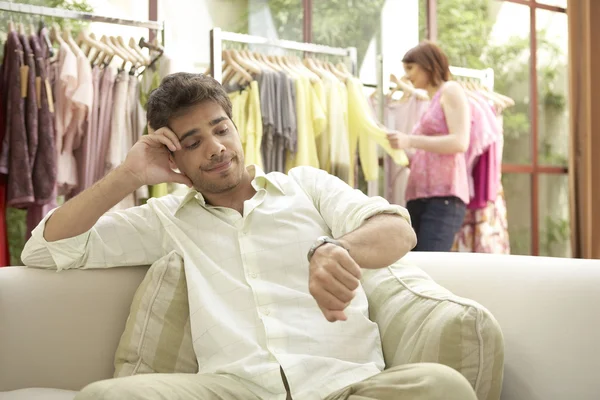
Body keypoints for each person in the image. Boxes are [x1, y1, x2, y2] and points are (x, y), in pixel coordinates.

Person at [22, 73, 477, 400]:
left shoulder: (306, 186)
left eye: (220, 129)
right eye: (194, 141)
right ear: (173, 156)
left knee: (443, 386)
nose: (216, 147)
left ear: (236, 129)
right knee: (107, 396)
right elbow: (44, 250)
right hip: (235, 390)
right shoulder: (167, 218)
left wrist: (334, 249)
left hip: (347, 386)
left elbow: (398, 229)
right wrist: (127, 175)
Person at [387, 41, 471, 252]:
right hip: (420, 196)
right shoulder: (430, 100)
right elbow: (430, 152)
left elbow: (460, 141)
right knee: (413, 266)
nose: (407, 76)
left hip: (443, 198)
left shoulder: (451, 90)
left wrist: (410, 140)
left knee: (428, 268)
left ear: (428, 65)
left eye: (410, 68)